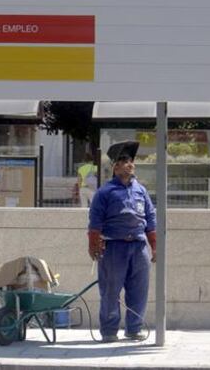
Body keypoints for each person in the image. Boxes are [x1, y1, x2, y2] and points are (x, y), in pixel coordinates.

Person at [87, 140, 156, 343]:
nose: (130, 164)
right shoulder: (105, 192)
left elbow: (150, 219)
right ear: (116, 166)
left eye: (131, 160)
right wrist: (93, 244)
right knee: (110, 291)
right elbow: (95, 222)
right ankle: (109, 331)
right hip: (113, 247)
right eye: (125, 160)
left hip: (138, 246)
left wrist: (155, 246)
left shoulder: (140, 191)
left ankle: (134, 329)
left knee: (139, 290)